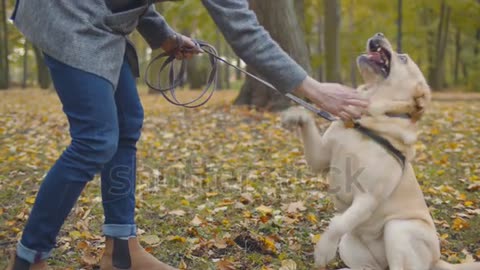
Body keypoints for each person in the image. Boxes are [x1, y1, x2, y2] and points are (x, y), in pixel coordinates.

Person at [6, 0, 368, 269]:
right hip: (64, 11)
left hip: (100, 19)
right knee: (96, 139)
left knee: (127, 123)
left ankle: (120, 250)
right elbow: (244, 32)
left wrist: (163, 36)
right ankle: (29, 257)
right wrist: (314, 89)